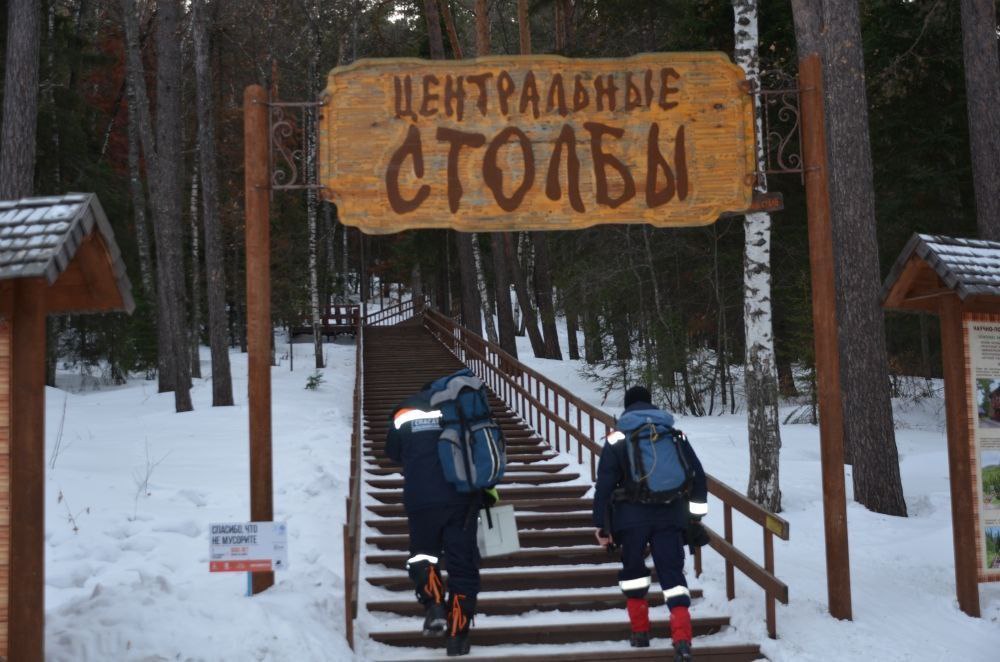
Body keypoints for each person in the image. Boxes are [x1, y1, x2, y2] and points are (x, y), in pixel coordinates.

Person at [592, 385, 708, 661]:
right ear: (650, 405)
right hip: (670, 515)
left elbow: (605, 485)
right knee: (673, 576)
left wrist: (602, 526)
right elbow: (698, 476)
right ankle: (681, 639)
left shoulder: (618, 437)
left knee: (633, 573)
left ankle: (640, 632)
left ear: (627, 406)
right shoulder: (672, 434)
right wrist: (694, 517)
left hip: (630, 519)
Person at [385, 383, 494, 657]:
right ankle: (458, 635)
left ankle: (434, 604)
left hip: (420, 498)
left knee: (422, 556)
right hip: (463, 500)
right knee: (463, 569)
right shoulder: (462, 409)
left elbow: (392, 452)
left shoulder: (405, 411)